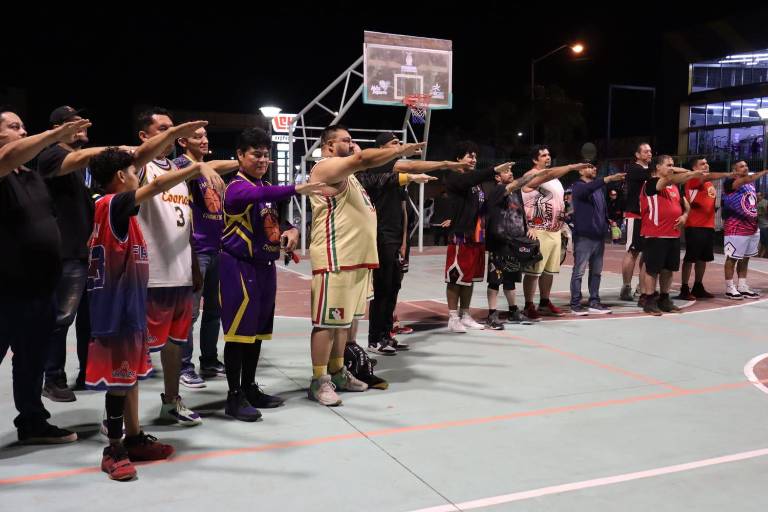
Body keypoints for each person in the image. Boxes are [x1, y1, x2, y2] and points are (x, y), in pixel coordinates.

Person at [86, 120, 210, 480]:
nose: (136, 176)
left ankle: (135, 437)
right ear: (122, 176)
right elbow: (155, 184)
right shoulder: (111, 204)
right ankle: (114, 447)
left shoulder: (118, 211)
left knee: (130, 376)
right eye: (131, 171)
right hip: (115, 310)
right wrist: (193, 161)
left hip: (128, 304)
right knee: (119, 380)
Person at [307, 124, 424, 406]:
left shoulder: (350, 175)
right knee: (326, 323)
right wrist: (398, 150)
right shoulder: (325, 167)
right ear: (329, 145)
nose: (352, 144)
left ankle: (337, 372)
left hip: (356, 261)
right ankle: (318, 381)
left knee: (343, 324)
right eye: (346, 140)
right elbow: (361, 160)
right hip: (334, 259)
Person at [219, 128, 324, 420]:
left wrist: (291, 230)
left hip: (265, 267)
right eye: (256, 153)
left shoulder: (263, 186)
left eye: (266, 154)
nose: (263, 159)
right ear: (240, 155)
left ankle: (250, 388)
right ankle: (233, 396)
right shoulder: (237, 187)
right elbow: (262, 194)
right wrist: (296, 188)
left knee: (256, 334)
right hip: (238, 267)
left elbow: (277, 218)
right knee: (238, 336)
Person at [135, 107, 230, 426]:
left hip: (179, 273)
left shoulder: (180, 174)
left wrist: (193, 267)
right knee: (138, 349)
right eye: (163, 129)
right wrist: (197, 166)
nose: (171, 133)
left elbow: (186, 224)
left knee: (175, 344)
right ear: (144, 137)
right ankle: (123, 415)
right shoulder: (139, 166)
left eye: (173, 128)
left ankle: (172, 402)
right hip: (150, 276)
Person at [0, 108, 90, 443]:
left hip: (40, 286)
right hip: (6, 288)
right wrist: (55, 136)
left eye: (24, 125)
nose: (23, 131)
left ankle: (32, 421)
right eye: (14, 126)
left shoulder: (31, 175)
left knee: (31, 360)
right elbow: (7, 156)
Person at [174, 125, 238, 387]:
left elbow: (221, 164)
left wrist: (238, 161)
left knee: (215, 310)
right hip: (195, 250)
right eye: (197, 136)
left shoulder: (206, 168)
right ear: (182, 141)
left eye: (205, 135)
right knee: (190, 313)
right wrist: (201, 167)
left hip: (217, 248)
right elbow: (186, 171)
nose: (204, 139)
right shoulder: (179, 166)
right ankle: (183, 366)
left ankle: (209, 360)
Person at [520, 145, 594, 320]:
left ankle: (544, 302)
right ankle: (528, 305)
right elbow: (548, 174)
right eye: (543, 155)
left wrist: (562, 225)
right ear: (534, 159)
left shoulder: (556, 181)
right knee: (534, 272)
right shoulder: (531, 175)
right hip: (538, 230)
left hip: (554, 231)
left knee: (549, 272)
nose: (548, 157)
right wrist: (571, 167)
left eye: (549, 155)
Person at [483, 165, 552, 328]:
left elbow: (520, 214)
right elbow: (516, 183)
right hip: (499, 243)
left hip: (515, 243)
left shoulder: (516, 194)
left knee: (511, 280)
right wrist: (534, 175)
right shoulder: (498, 191)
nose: (511, 173)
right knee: (495, 280)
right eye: (506, 171)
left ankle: (513, 311)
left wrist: (529, 228)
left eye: (510, 171)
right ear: (497, 177)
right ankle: (492, 315)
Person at [638, 155, 702, 315]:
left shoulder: (674, 188)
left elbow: (686, 207)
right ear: (657, 167)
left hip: (673, 234)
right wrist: (693, 173)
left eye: (673, 165)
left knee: (668, 270)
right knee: (652, 270)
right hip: (655, 234)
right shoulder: (651, 183)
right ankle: (650, 301)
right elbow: (680, 176)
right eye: (668, 165)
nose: (672, 168)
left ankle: (664, 299)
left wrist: (685, 216)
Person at [569, 167, 626, 315]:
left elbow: (602, 209)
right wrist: (608, 179)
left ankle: (594, 301)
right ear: (580, 171)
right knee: (579, 271)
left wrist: (610, 222)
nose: (593, 169)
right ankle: (575, 304)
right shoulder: (578, 187)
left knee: (596, 272)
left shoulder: (598, 189)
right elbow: (588, 189)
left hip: (598, 237)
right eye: (589, 167)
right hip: (584, 236)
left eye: (594, 167)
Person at [675, 157, 733, 300]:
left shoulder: (707, 183)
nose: (706, 165)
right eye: (702, 163)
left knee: (703, 259)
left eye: (707, 163)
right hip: (695, 225)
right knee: (690, 258)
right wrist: (728, 174)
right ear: (694, 168)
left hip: (708, 226)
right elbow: (707, 176)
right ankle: (684, 288)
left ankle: (698, 286)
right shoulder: (694, 180)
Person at [721, 161, 768, 299]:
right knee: (732, 258)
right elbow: (749, 178)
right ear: (734, 170)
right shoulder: (729, 183)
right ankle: (730, 288)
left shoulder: (750, 184)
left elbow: (747, 202)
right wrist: (765, 171)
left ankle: (742, 285)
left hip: (752, 226)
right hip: (736, 227)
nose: (746, 167)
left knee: (745, 258)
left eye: (747, 165)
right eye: (741, 166)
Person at [620, 143, 653, 302]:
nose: (649, 153)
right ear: (637, 155)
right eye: (646, 151)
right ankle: (626, 287)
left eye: (650, 151)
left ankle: (643, 288)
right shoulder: (634, 169)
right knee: (633, 251)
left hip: (650, 216)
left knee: (648, 253)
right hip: (635, 214)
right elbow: (655, 176)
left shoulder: (650, 170)